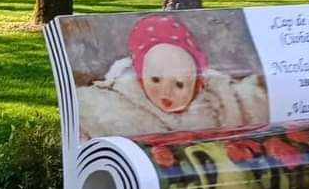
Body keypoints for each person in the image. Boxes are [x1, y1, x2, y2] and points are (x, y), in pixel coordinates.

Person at [76, 14, 269, 138]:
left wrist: (260, 87)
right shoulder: (119, 101)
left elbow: (245, 101)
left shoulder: (216, 100)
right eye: (155, 79)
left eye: (179, 84)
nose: (166, 91)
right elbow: (90, 116)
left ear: (196, 84)